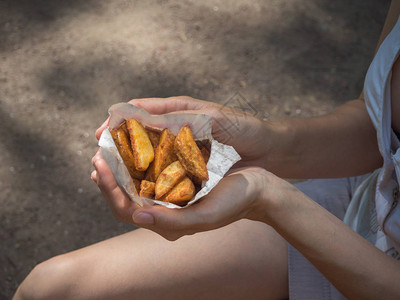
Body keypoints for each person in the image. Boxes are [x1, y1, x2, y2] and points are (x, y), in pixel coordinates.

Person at [13, 1, 400, 299]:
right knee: (49, 288)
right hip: (360, 204)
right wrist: (269, 142)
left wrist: (270, 199)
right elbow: (376, 127)